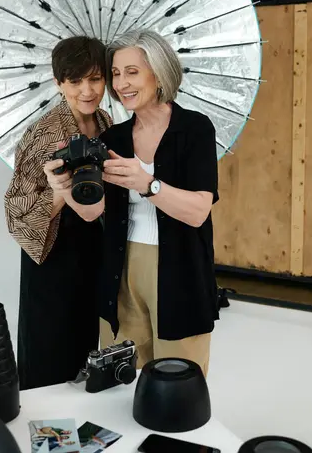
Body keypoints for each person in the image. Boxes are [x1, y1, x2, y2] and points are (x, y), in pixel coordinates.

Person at [99, 30, 219, 377]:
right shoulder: (112, 138)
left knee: (177, 383)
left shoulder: (194, 129)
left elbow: (198, 212)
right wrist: (63, 185)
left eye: (132, 71)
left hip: (181, 269)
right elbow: (94, 213)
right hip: (121, 269)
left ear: (159, 71)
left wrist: (147, 183)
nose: (121, 83)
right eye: (116, 73)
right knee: (120, 379)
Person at [5, 36, 111, 390]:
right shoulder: (44, 133)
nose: (87, 90)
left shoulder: (107, 121)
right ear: (58, 83)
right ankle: (46, 433)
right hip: (53, 254)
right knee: (49, 351)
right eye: (75, 81)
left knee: (85, 345)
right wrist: (61, 192)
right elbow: (15, 213)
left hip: (92, 250)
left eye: (95, 79)